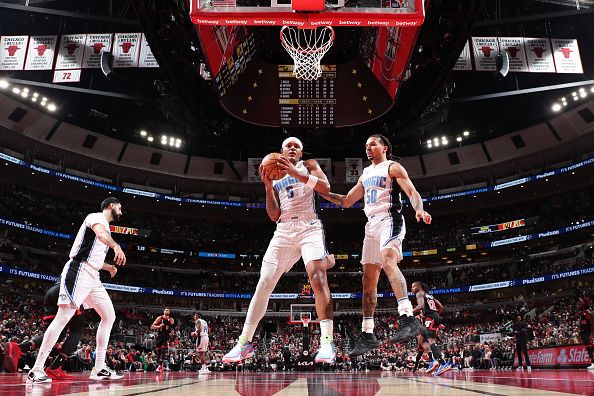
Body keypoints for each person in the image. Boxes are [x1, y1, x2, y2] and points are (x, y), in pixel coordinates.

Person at [223, 137, 336, 364]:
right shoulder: (274, 175)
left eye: (296, 146)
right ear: (281, 152)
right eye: (288, 146)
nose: (292, 148)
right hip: (283, 229)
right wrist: (267, 187)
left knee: (317, 276)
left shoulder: (309, 165)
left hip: (309, 226)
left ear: (301, 153)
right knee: (264, 282)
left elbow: (326, 188)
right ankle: (244, 343)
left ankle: (327, 342)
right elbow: (274, 215)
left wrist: (295, 172)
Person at [320, 134, 431, 357]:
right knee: (368, 280)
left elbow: (412, 191)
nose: (368, 148)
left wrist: (419, 209)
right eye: (366, 145)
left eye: (372, 144)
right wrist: (321, 192)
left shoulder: (392, 167)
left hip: (390, 219)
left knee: (388, 260)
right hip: (370, 226)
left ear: (384, 147)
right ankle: (367, 333)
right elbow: (347, 200)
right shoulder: (366, 173)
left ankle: (407, 317)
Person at [26, 197, 126, 383]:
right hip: (79, 270)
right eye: (120, 208)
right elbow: (101, 235)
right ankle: (36, 369)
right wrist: (116, 246)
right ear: (111, 206)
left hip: (93, 275)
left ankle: (99, 368)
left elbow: (92, 257)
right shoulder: (96, 217)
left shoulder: (105, 226)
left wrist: (108, 267)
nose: (121, 212)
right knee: (64, 316)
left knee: (109, 315)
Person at [6, 263, 118, 379]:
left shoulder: (73, 266)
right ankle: (54, 368)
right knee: (77, 331)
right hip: (68, 291)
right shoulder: (88, 271)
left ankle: (19, 348)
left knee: (59, 334)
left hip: (52, 292)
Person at [410, 281, 450, 376]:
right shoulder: (429, 295)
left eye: (413, 287)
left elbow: (420, 306)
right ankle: (432, 361)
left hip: (430, 318)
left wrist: (410, 312)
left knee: (431, 341)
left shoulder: (419, 293)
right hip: (433, 317)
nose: (411, 289)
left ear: (418, 287)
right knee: (421, 340)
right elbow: (441, 307)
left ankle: (442, 363)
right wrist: (435, 315)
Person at [151, 308, 175, 373]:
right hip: (159, 336)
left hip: (166, 336)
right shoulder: (160, 318)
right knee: (158, 352)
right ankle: (160, 365)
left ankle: (160, 367)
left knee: (163, 351)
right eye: (166, 310)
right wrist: (159, 326)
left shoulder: (171, 319)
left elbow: (171, 328)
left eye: (168, 310)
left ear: (169, 312)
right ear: (164, 311)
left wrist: (172, 332)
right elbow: (152, 326)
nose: (167, 311)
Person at [578, 297, 594, 370]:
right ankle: (592, 363)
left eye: (581, 303)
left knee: (591, 347)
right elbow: (582, 325)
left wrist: (592, 333)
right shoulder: (582, 312)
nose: (579, 304)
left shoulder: (588, 312)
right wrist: (580, 334)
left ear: (584, 305)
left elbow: (592, 323)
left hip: (588, 333)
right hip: (584, 333)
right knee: (588, 348)